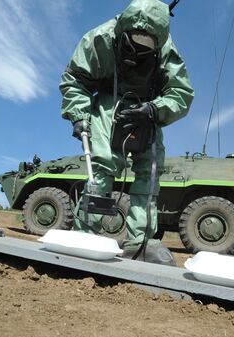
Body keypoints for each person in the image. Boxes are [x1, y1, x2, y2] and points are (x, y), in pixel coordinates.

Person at [59, 0, 194, 264]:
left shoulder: (167, 49)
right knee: (102, 166)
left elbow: (180, 93)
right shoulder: (99, 39)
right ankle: (87, 233)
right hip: (109, 101)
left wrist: (154, 111)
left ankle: (141, 243)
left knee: (150, 170)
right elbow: (75, 79)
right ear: (122, 31)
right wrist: (79, 115)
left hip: (148, 108)